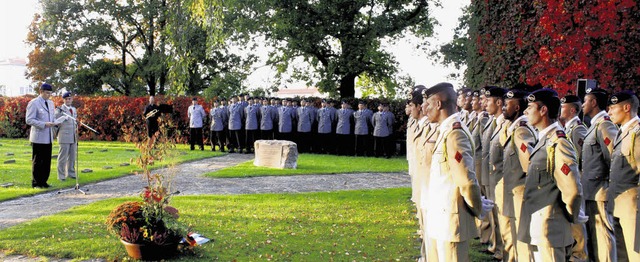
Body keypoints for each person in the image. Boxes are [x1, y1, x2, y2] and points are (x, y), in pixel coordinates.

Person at [422, 82, 489, 261]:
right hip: (440, 217)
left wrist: (477, 208)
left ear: (438, 104)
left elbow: (466, 180)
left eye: (427, 104)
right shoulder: (445, 130)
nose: (424, 109)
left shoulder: (455, 133)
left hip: (450, 221)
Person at [519, 88, 584, 261]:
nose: (525, 111)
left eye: (530, 107)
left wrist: (569, 216)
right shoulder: (546, 139)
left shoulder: (558, 142)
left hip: (550, 227)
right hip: (539, 226)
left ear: (543, 110)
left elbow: (572, 190)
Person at [580, 88, 618, 262]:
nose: (583, 104)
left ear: (594, 103)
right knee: (594, 236)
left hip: (600, 190)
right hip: (591, 190)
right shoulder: (594, 125)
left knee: (603, 236)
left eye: (586, 101)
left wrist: (608, 186)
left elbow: (614, 158)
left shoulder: (605, 125)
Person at [500, 88, 536, 262]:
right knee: (515, 237)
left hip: (520, 193)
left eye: (507, 104)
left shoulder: (522, 131)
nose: (503, 108)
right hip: (513, 192)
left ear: (517, 108)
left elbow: (530, 165)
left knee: (523, 242)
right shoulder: (513, 129)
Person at [606, 90, 640, 261]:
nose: (609, 112)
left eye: (612, 108)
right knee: (621, 256)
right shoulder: (621, 132)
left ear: (626, 108)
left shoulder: (637, 133)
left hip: (633, 207)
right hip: (618, 205)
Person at [560, 94, 589, 262]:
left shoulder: (578, 129)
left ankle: (579, 254)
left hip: (575, 178)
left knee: (577, 220)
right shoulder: (567, 127)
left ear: (572, 110)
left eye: (564, 107)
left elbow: (579, 157)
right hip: (567, 179)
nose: (560, 109)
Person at [482, 86, 507, 259]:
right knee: (494, 215)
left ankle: (502, 250)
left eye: (488, 100)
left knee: (502, 217)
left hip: (501, 178)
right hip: (491, 176)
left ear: (499, 102)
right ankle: (497, 246)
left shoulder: (506, 124)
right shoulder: (494, 121)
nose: (485, 104)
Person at [25, 83, 58, 188]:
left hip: (48, 136)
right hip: (38, 136)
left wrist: (56, 122)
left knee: (47, 161)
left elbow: (51, 117)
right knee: (38, 161)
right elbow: (29, 119)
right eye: (47, 93)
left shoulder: (51, 103)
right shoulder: (34, 103)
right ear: (41, 92)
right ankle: (36, 183)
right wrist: (43, 124)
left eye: (50, 93)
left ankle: (44, 181)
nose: (49, 95)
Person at [54, 91, 78, 181]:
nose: (68, 100)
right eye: (66, 99)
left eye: (70, 98)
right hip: (64, 136)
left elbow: (74, 121)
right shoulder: (60, 109)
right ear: (63, 100)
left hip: (73, 136)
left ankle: (71, 173)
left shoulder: (74, 109)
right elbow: (55, 121)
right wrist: (62, 118)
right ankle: (61, 175)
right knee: (63, 157)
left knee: (72, 156)